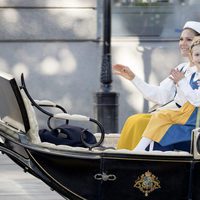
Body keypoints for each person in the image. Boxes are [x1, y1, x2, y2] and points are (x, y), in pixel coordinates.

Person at [113, 21, 200, 151]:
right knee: (134, 120)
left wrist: (181, 82)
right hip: (173, 115)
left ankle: (137, 157)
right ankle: (124, 156)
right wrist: (133, 78)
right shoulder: (181, 68)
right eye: (181, 39)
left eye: (189, 39)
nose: (183, 43)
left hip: (187, 120)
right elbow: (160, 96)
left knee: (140, 122)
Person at [133, 35, 200, 151]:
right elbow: (169, 96)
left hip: (194, 119)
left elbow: (197, 100)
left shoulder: (187, 76)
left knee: (158, 121)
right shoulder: (191, 74)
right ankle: (139, 150)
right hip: (187, 114)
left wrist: (181, 81)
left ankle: (140, 150)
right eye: (197, 55)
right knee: (157, 117)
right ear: (192, 57)